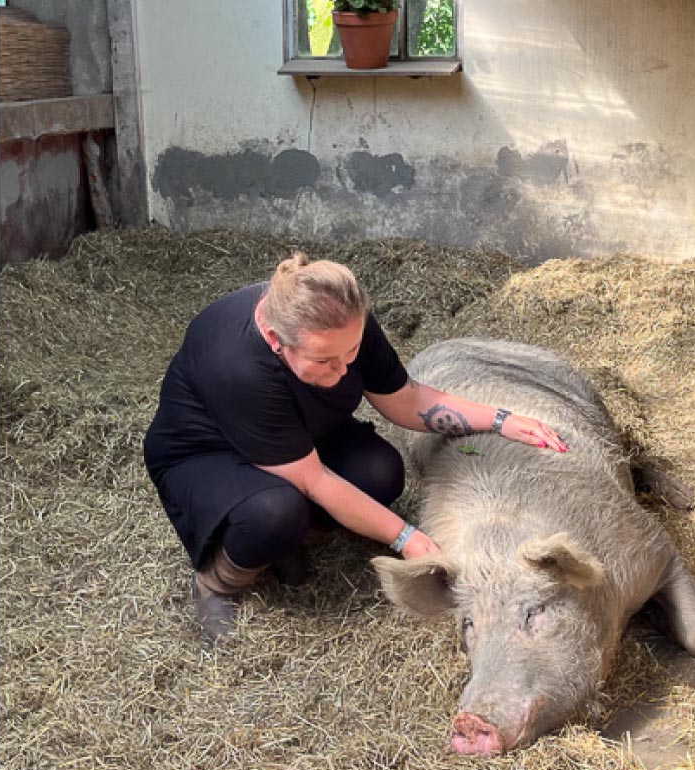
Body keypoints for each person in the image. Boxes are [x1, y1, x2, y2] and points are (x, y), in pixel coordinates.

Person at [143, 253, 568, 640]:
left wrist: (500, 419)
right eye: (326, 362)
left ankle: (290, 542)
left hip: (301, 434)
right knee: (275, 511)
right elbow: (316, 481)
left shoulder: (344, 322)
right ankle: (217, 582)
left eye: (351, 353)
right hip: (209, 450)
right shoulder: (238, 366)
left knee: (380, 472)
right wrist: (406, 538)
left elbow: (406, 399)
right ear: (277, 342)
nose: (345, 369)